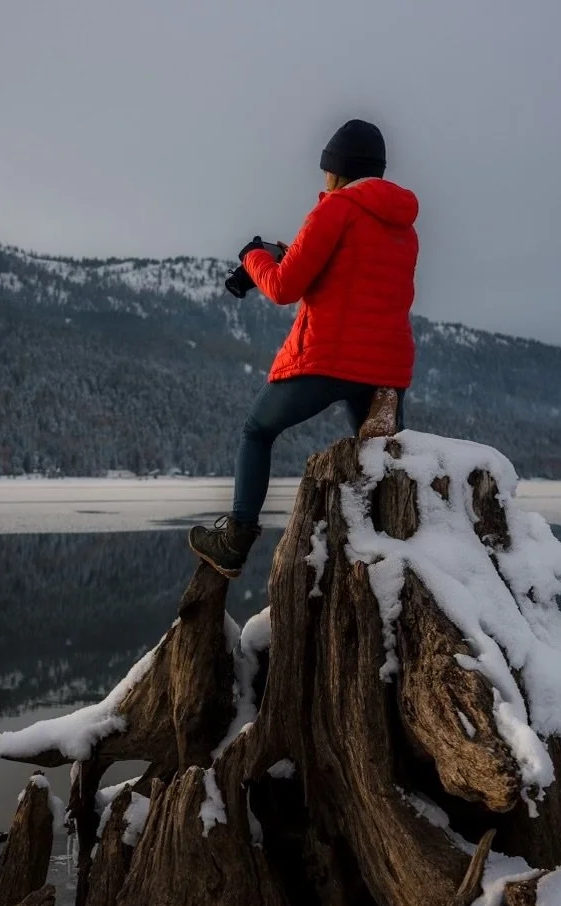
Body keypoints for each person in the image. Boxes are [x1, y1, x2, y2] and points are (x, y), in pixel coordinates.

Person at [190, 118, 419, 578]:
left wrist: (252, 257)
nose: (323, 179)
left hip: (329, 358)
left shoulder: (334, 209)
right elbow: (352, 273)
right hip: (386, 368)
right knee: (379, 459)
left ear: (337, 171)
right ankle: (392, 553)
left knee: (256, 431)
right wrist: (287, 249)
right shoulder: (402, 227)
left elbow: (282, 286)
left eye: (325, 170)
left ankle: (235, 539)